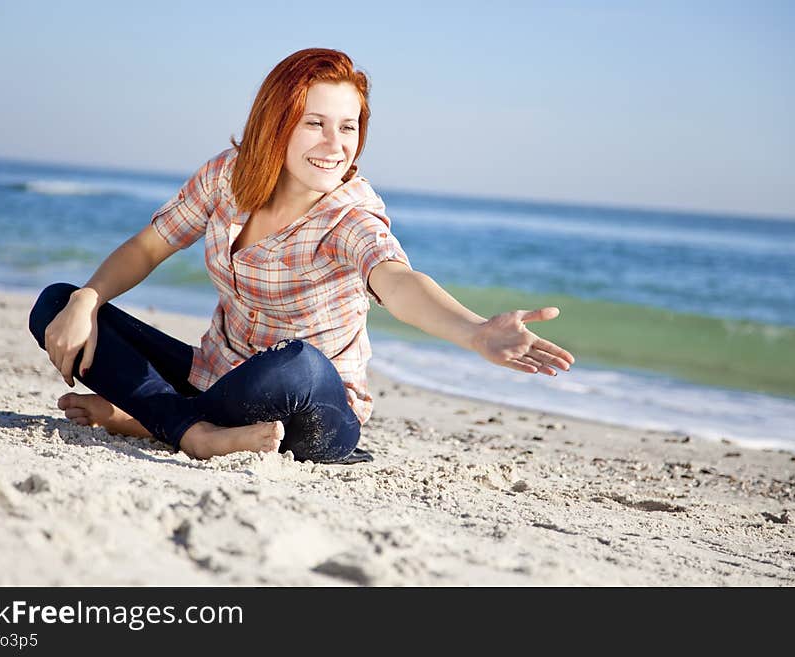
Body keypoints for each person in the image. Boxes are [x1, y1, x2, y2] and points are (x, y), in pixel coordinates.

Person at [28, 47, 575, 464]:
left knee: (297, 365)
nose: (335, 144)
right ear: (278, 121)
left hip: (312, 410)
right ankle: (192, 429)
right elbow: (150, 246)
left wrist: (476, 331)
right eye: (315, 123)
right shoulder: (228, 177)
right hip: (215, 377)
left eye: (348, 127)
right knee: (58, 302)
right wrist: (88, 299)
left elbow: (399, 282)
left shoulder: (349, 215)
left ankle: (152, 420)